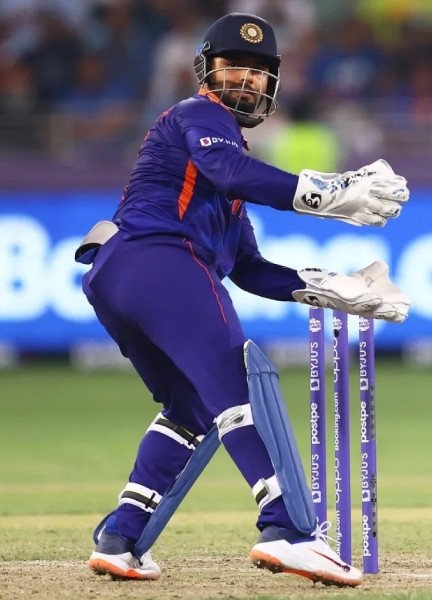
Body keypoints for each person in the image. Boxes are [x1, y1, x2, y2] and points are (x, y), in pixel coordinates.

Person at [77, 13, 410, 587]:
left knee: (188, 407)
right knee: (235, 385)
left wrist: (332, 288)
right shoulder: (198, 114)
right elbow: (230, 169)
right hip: (159, 259)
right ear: (207, 72)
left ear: (272, 84)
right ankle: (286, 528)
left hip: (118, 278)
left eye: (258, 72)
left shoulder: (227, 193)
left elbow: (249, 268)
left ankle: (121, 537)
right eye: (233, 67)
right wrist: (330, 192)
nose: (246, 80)